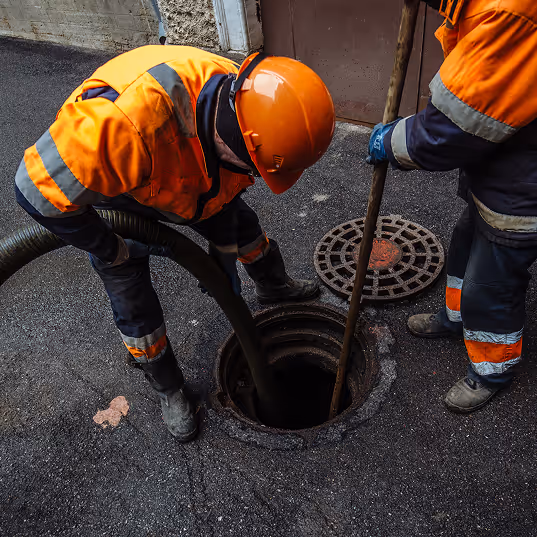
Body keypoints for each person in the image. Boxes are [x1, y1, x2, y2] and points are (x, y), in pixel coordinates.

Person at [15, 46, 335, 441]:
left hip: (191, 172)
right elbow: (32, 191)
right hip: (127, 189)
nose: (257, 174)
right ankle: (169, 387)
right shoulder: (119, 126)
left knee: (242, 227)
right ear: (237, 139)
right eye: (256, 165)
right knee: (130, 290)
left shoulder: (253, 101)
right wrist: (109, 246)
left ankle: (272, 285)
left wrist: (223, 257)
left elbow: (229, 194)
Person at [367, 0, 537, 413]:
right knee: (464, 243)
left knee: (490, 286)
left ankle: (492, 368)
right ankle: (456, 318)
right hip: (504, 165)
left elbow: (452, 128)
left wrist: (390, 142)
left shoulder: (508, 13)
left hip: (524, 187)